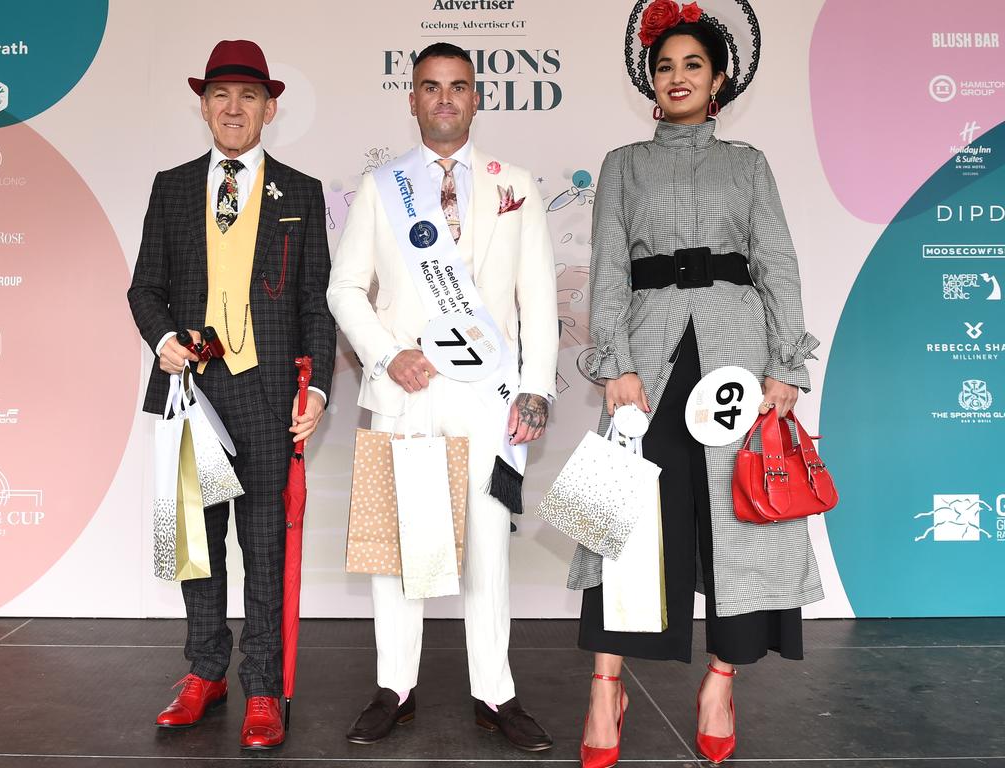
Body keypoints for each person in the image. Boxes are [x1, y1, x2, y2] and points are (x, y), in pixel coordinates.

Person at [568, 3, 823, 766]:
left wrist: (787, 366)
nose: (676, 77)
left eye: (693, 66)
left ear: (718, 81)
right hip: (647, 355)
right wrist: (612, 363)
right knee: (619, 517)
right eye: (665, 64)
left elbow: (776, 263)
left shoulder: (747, 164)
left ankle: (721, 678)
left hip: (735, 360)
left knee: (737, 520)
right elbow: (609, 270)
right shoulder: (623, 163)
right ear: (651, 79)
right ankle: (603, 686)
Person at [327, 42, 559, 752]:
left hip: (487, 398)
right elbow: (344, 289)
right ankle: (394, 686)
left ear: (477, 98)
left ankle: (496, 691)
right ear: (412, 98)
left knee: (488, 548)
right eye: (431, 87)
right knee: (404, 551)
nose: (446, 99)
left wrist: (537, 388)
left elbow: (538, 300)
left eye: (458, 87)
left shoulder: (513, 183)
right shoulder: (382, 187)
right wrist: (387, 352)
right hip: (410, 392)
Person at [128, 39, 335, 750]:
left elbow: (316, 304)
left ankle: (264, 686)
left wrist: (322, 391)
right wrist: (163, 341)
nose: (234, 107)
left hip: (270, 391)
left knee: (265, 544)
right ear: (205, 106)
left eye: (249, 95)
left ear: (269, 108)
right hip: (190, 392)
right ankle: (205, 671)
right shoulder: (172, 185)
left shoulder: (300, 192)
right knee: (196, 541)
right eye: (221, 94)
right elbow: (143, 287)